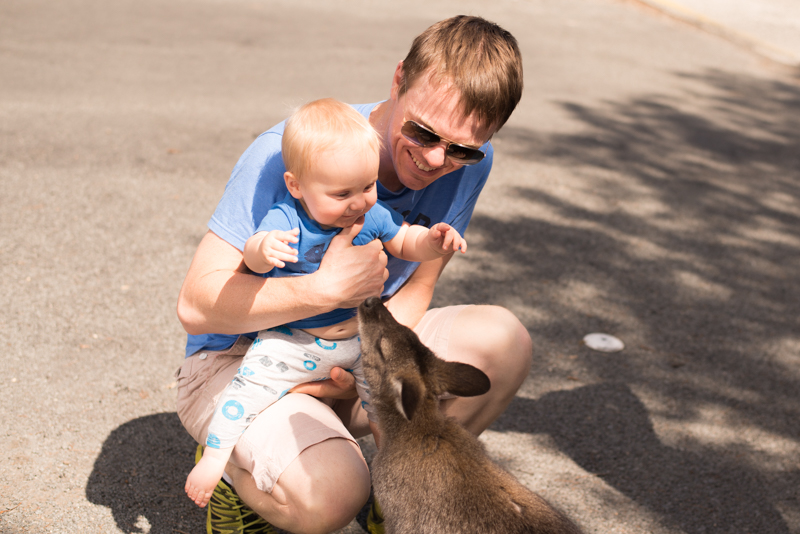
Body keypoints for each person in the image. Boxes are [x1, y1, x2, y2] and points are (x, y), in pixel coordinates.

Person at [176, 14, 530, 534]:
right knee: (332, 494)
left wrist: (356, 370)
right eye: (423, 132)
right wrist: (320, 290)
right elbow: (195, 307)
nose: (436, 159)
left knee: (505, 343)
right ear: (398, 79)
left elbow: (420, 286)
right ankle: (236, 479)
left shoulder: (471, 163)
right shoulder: (294, 153)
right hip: (241, 359)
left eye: (461, 147)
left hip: (349, 348)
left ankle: (399, 496)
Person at [184, 97, 467, 509]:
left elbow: (404, 239)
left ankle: (393, 471)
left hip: (356, 342)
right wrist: (264, 250)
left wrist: (434, 239)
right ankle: (216, 461)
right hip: (292, 341)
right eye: (341, 193)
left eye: (368, 187)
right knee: (247, 393)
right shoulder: (288, 219)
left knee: (386, 404)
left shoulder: (371, 213)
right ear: (297, 186)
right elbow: (252, 254)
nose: (359, 202)